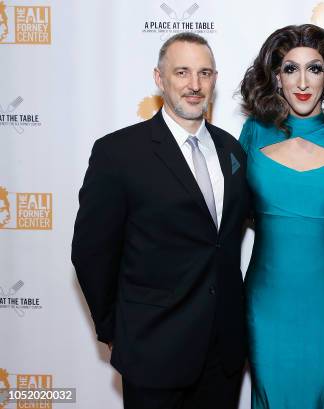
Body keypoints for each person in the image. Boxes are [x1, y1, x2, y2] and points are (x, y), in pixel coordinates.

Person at [72, 32, 250, 409]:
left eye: (204, 73)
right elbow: (91, 253)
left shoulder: (231, 149)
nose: (194, 85)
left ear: (215, 80)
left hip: (223, 353)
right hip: (153, 350)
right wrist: (116, 330)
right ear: (159, 78)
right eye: (182, 72)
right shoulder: (118, 153)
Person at [238, 24, 324, 408]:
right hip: (267, 297)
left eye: (314, 68)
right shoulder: (253, 133)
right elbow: (232, 212)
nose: (302, 81)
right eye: (290, 68)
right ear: (276, 77)